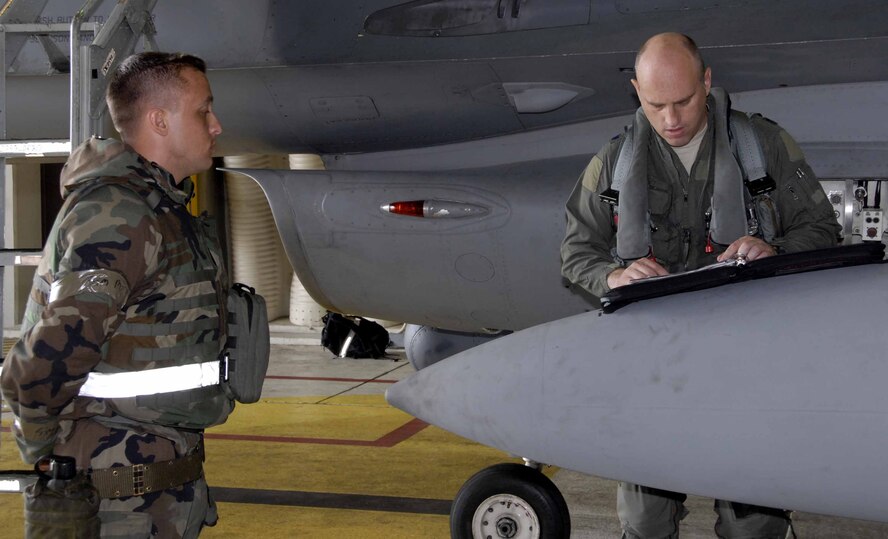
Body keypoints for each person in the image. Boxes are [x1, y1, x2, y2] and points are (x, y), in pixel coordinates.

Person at [560, 33, 841, 538]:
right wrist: (613, 275)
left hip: (746, 362)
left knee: (752, 525)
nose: (671, 119)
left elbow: (823, 229)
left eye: (685, 101)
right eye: (656, 104)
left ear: (707, 82)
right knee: (645, 525)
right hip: (655, 366)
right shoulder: (615, 162)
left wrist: (773, 250)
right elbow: (576, 251)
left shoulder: (763, 147)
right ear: (636, 94)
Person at [1, 52, 229, 537]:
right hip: (114, 505)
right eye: (203, 110)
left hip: (158, 496)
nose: (216, 125)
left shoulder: (164, 207)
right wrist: (49, 457)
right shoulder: (119, 215)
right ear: (159, 120)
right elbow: (44, 361)